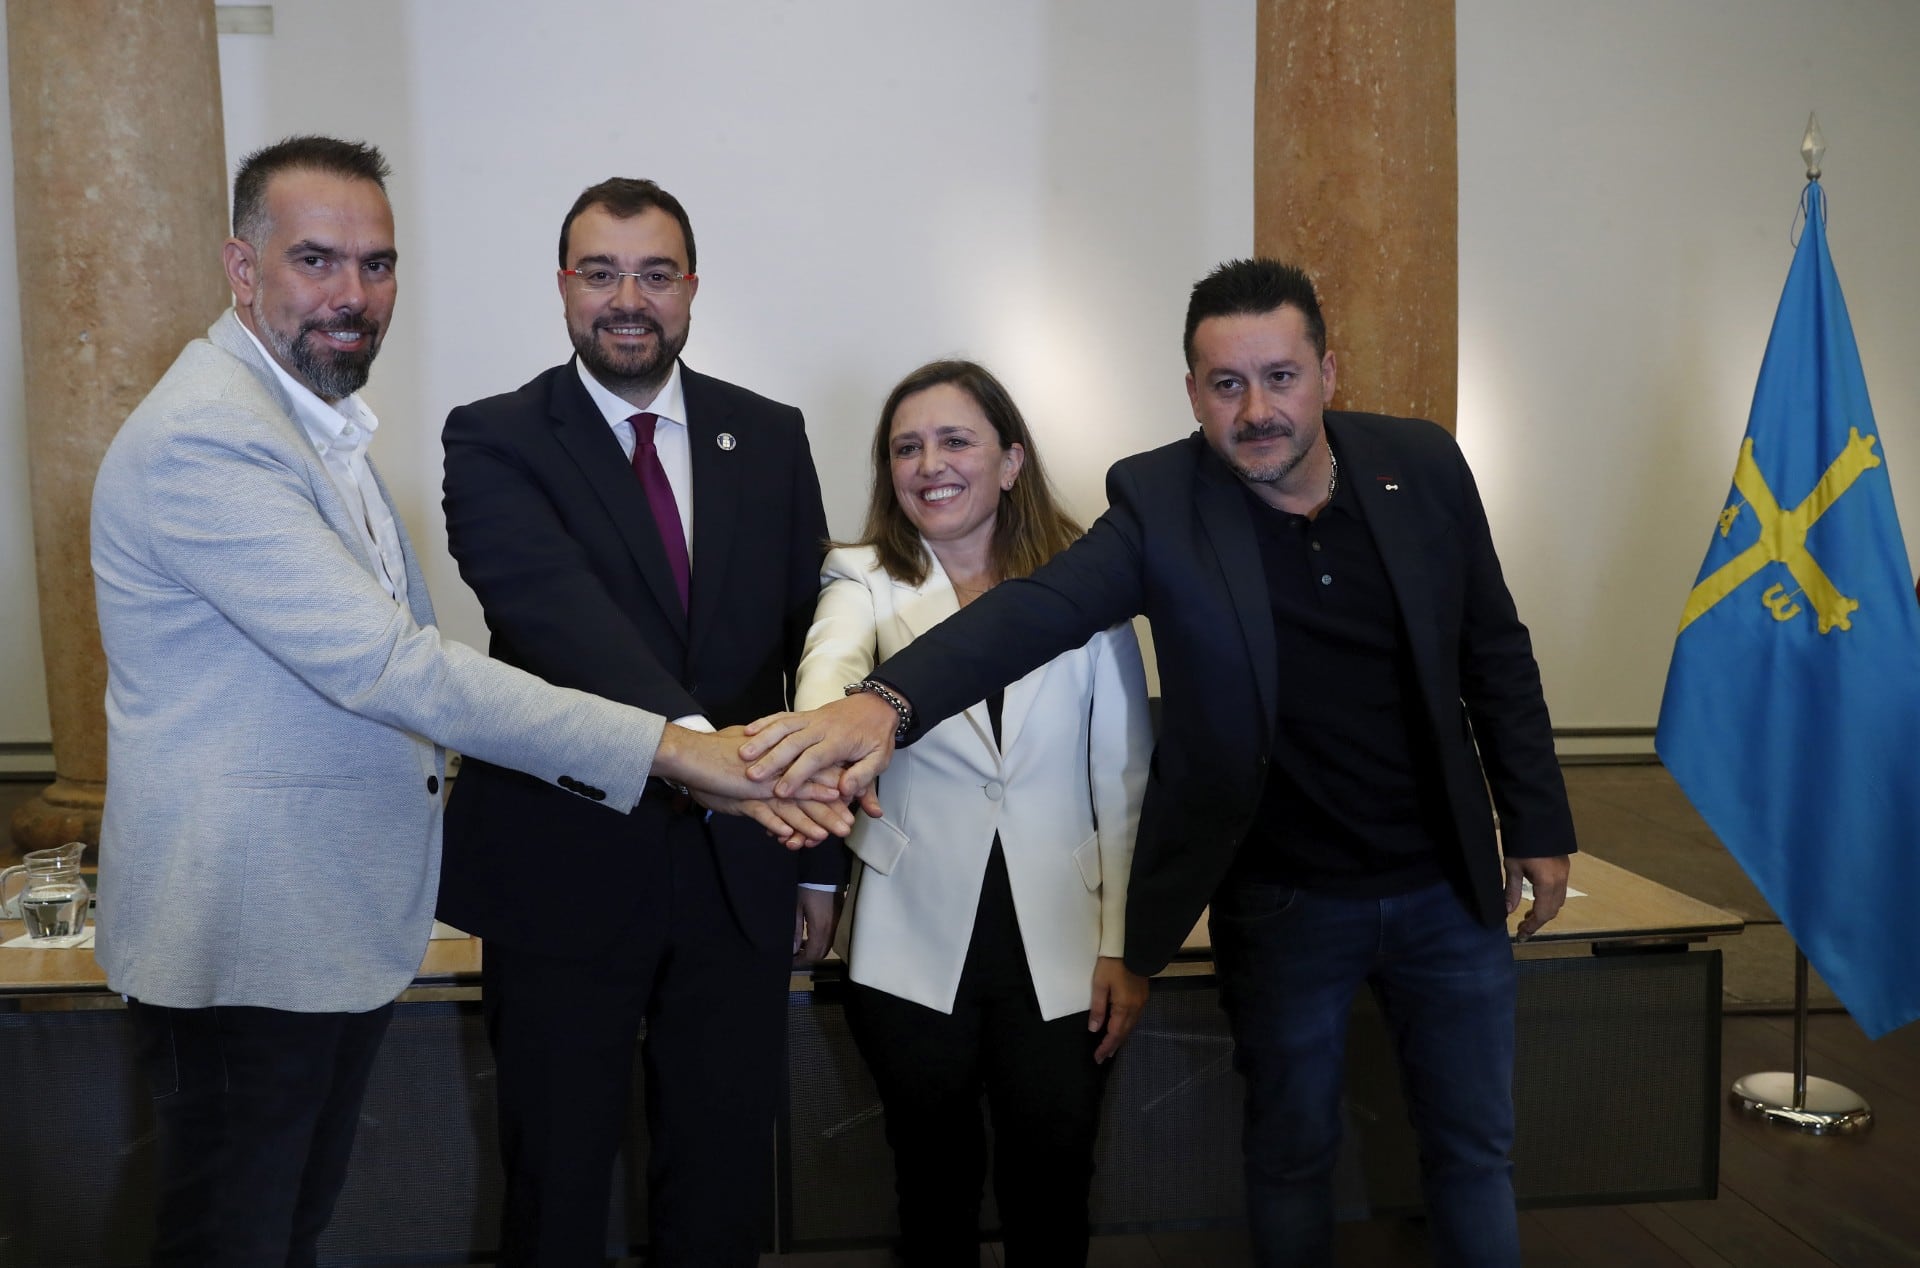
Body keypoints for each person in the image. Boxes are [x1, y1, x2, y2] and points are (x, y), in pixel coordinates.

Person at [88, 136, 840, 1268]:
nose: (354, 294)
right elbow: (403, 664)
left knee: (281, 1221)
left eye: (377, 263)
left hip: (336, 914)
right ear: (243, 270)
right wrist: (691, 752)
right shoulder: (215, 436)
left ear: (693, 285)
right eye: (318, 260)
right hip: (259, 921)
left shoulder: (315, 426)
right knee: (245, 1225)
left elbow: (801, 623)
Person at [745, 259, 1577, 1268]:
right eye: (1226, 384)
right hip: (1285, 900)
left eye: (1280, 375)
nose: (1256, 407)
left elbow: (1492, 645)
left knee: (1475, 1151)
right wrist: (881, 702)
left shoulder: (1425, 465)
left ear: (1327, 370)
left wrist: (1536, 820)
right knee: (1291, 1151)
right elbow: (1035, 612)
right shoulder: (1161, 499)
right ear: (1192, 392)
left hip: (1446, 884)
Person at [434, 177, 844, 1266]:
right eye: (602, 272)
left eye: (656, 274)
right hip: (562, 868)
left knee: (720, 1189)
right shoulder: (494, 438)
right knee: (558, 1182)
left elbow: (813, 645)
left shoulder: (768, 433)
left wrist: (820, 867)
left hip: (741, 874)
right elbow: (549, 614)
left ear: (693, 288)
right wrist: (709, 749)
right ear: (563, 287)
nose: (630, 298)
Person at [794, 361, 1153, 1266]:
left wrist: (1124, 944)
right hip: (909, 942)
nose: (929, 464)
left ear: (1010, 461)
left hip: (1065, 943)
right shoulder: (862, 574)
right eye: (906, 447)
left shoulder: (1086, 585)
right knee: (932, 1184)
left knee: (1055, 1179)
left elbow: (1123, 774)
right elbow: (827, 676)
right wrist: (825, 736)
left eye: (956, 440)